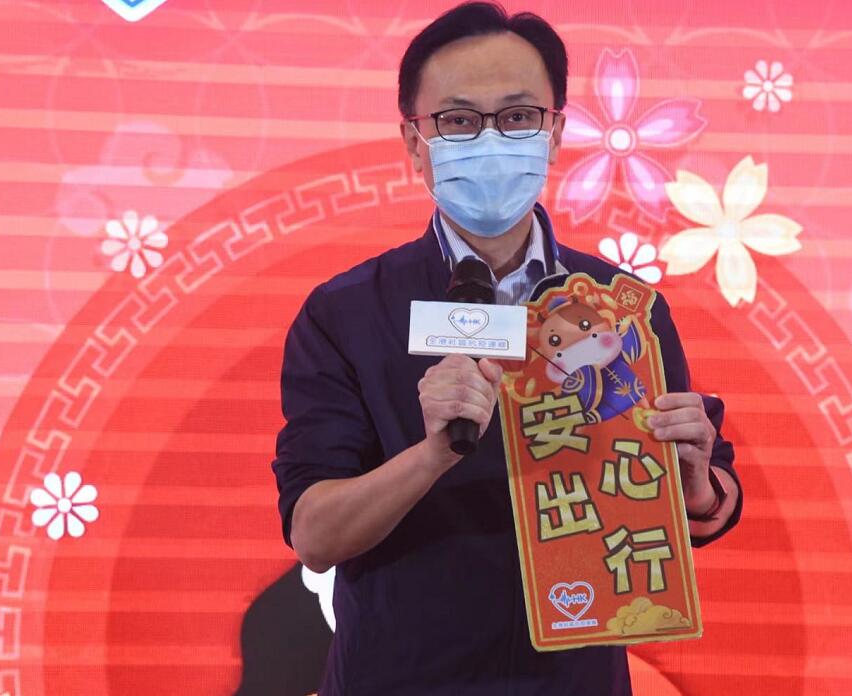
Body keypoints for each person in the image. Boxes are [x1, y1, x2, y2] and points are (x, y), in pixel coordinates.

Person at [271, 3, 742, 694]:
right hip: (400, 677)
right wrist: (432, 454)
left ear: (555, 133)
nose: (491, 139)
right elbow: (315, 534)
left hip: (575, 679)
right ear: (414, 141)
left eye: (518, 116)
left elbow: (704, 507)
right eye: (459, 121)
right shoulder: (345, 312)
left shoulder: (624, 307)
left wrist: (693, 482)